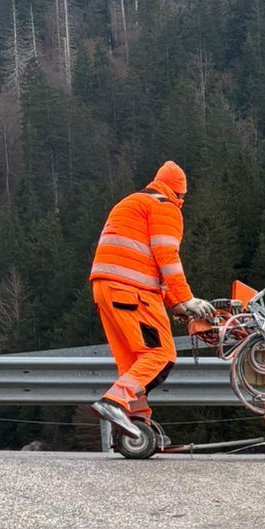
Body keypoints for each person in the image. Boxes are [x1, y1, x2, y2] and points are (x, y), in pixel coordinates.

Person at [89, 160, 215, 439]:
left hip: (105, 289)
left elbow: (147, 261)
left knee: (134, 364)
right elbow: (166, 257)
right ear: (179, 192)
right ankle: (113, 402)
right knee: (160, 354)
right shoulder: (165, 206)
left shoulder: (132, 202)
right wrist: (188, 299)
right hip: (132, 292)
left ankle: (137, 426)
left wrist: (176, 305)